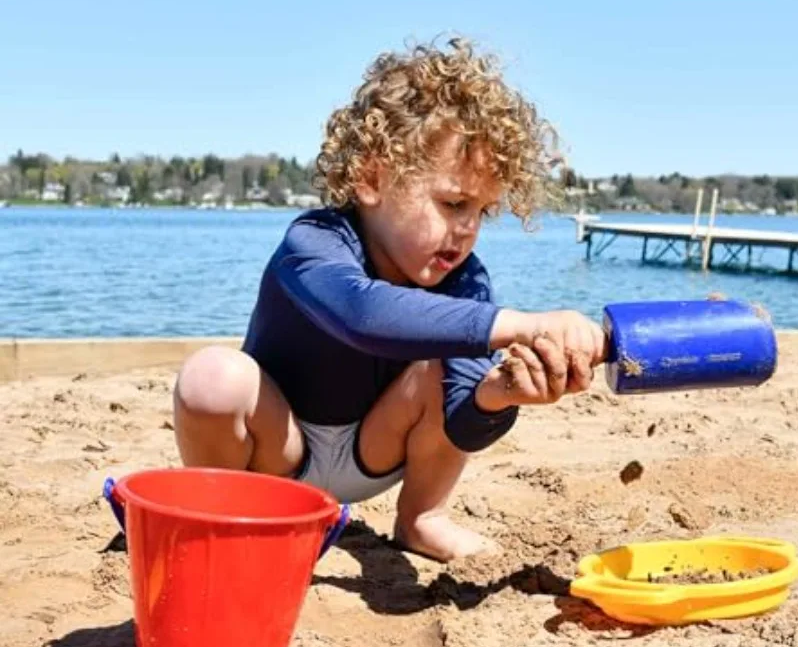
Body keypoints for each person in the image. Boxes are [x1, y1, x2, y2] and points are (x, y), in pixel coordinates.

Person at [173, 37, 607, 562]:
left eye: (483, 212)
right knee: (213, 378)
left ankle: (422, 517)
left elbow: (460, 418)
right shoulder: (313, 243)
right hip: (277, 452)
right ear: (373, 179)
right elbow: (364, 314)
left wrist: (502, 394)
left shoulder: (465, 282)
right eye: (453, 203)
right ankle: (218, 516)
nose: (467, 229)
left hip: (372, 454)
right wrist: (523, 324)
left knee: (439, 364)